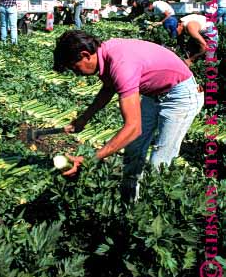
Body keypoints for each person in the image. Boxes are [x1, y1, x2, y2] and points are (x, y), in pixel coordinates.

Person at [53, 30, 204, 201]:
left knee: (159, 161)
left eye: (75, 68)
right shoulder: (106, 54)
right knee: (133, 150)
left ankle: (151, 211)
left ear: (85, 55)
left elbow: (133, 128)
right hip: (153, 94)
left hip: (180, 96)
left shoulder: (121, 64)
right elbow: (109, 88)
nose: (76, 73)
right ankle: (129, 202)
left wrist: (89, 159)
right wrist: (83, 119)